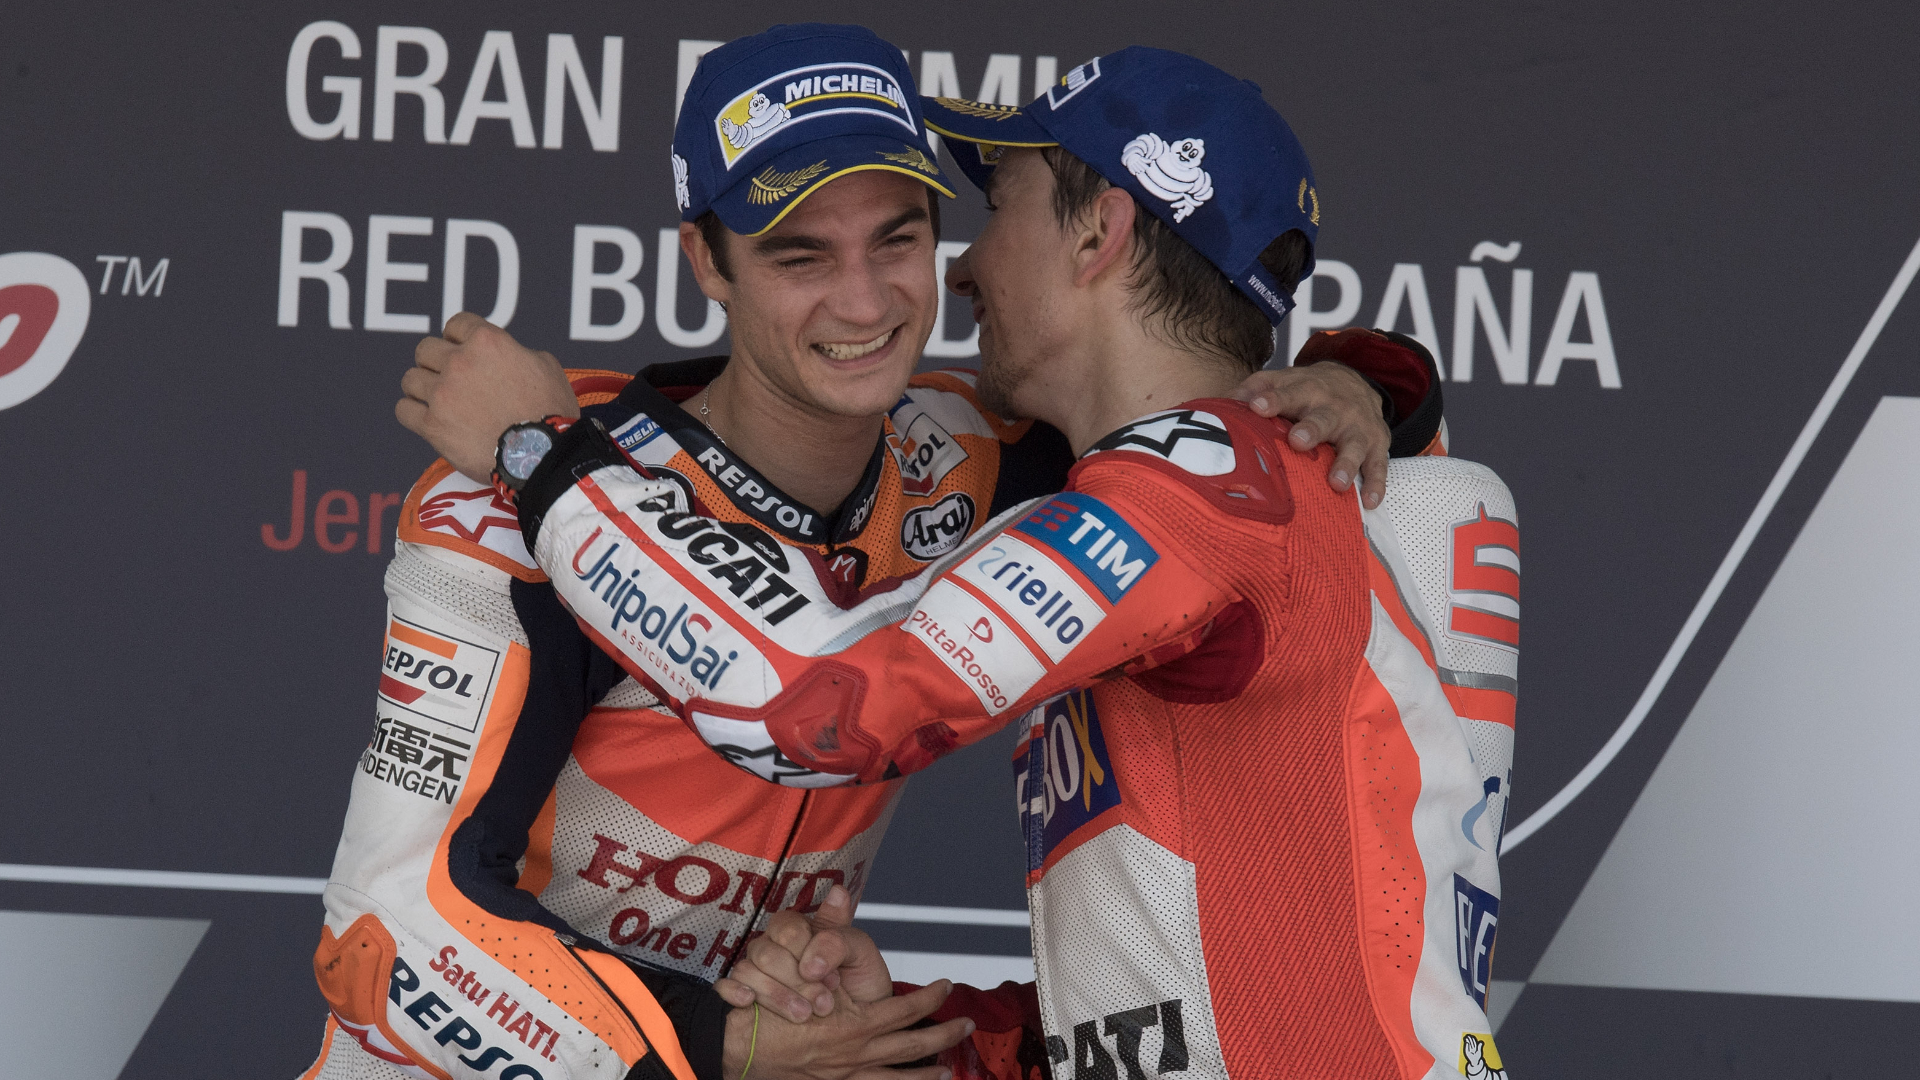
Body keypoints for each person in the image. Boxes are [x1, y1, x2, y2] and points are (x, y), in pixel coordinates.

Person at [307, 25, 1418, 1080]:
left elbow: (1182, 391)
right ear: (705, 260)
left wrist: (1364, 381)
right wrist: (712, 1049)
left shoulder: (976, 454)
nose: (864, 298)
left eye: (900, 238)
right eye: (800, 254)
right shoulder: (518, 501)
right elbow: (388, 930)